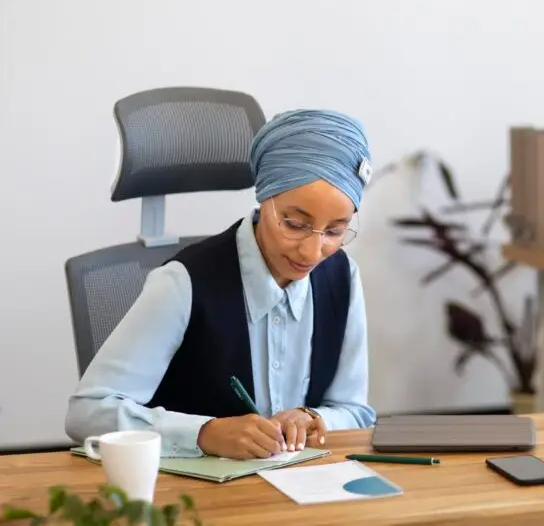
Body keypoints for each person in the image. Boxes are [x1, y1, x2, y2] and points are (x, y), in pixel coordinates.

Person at [66, 109, 377, 460]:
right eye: (294, 224)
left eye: (335, 231)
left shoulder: (342, 277)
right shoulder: (183, 282)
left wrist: (314, 418)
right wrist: (202, 433)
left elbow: (355, 410)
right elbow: (86, 413)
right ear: (264, 199)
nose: (312, 250)